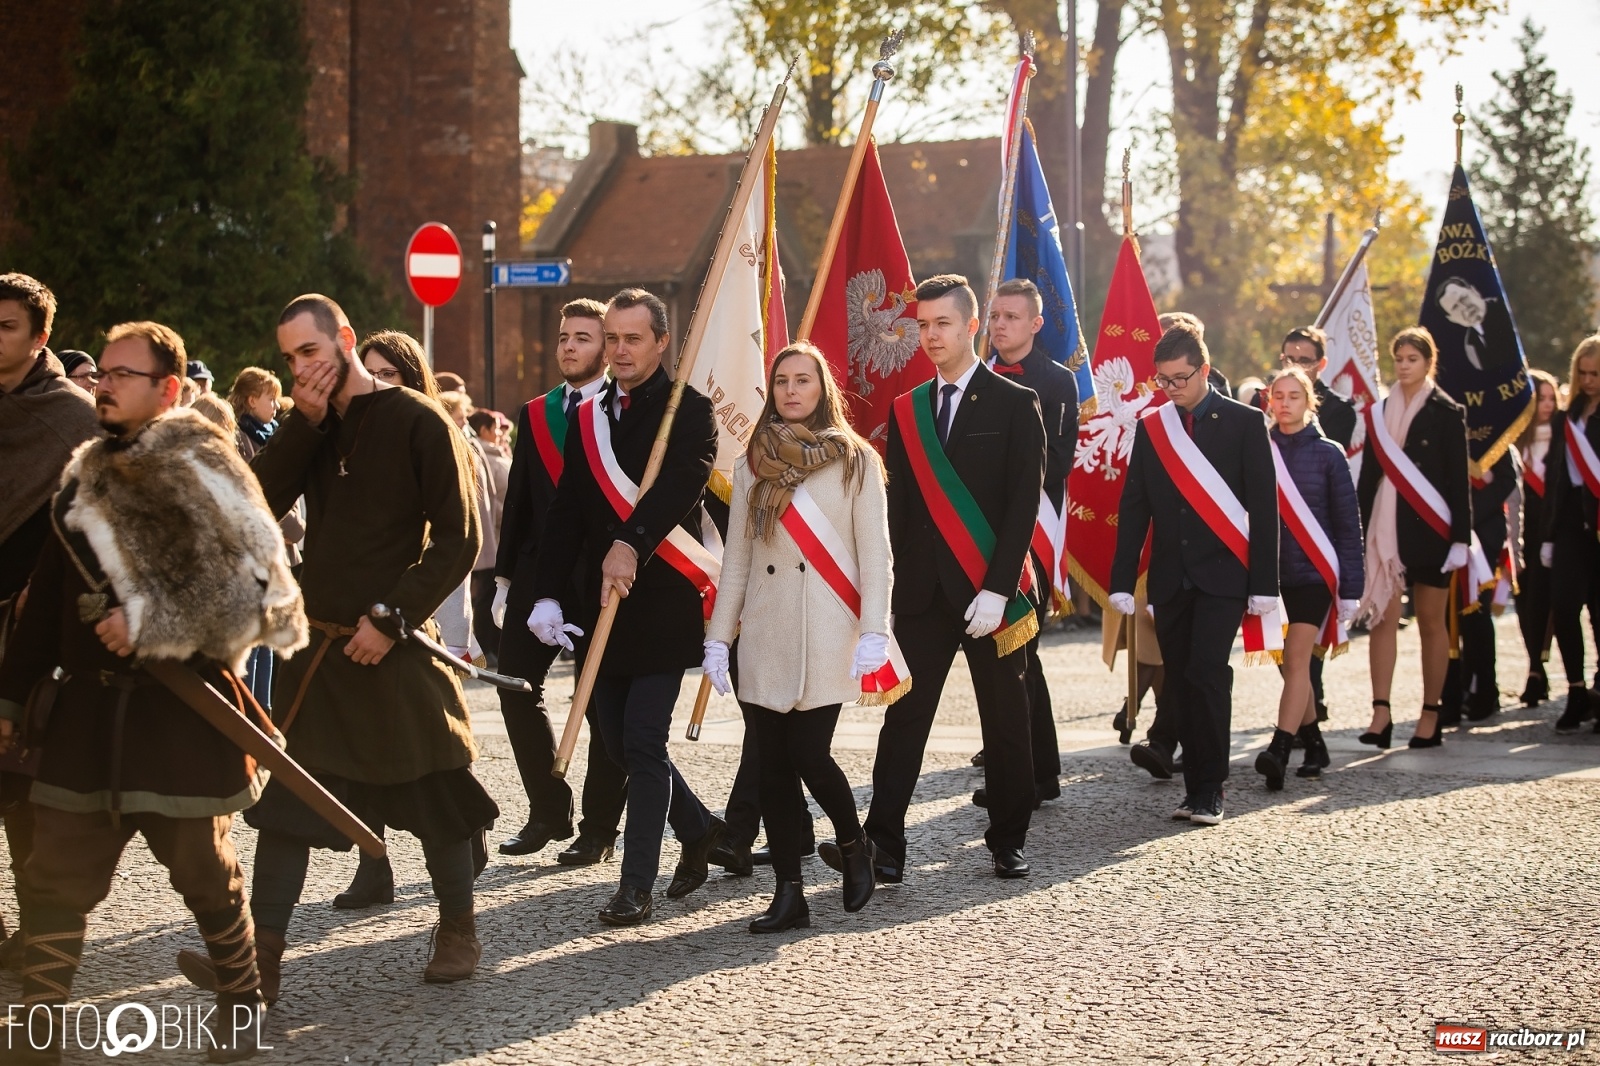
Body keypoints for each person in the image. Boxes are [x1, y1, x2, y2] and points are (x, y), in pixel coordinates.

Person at [0, 320, 306, 1064]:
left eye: (121, 375)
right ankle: (36, 1041)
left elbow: (261, 593)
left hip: (182, 721)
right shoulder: (81, 473)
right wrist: (9, 703)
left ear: (167, 390)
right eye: (100, 372)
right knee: (52, 884)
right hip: (88, 721)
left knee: (207, 879)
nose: (102, 384)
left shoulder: (209, 468)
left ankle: (241, 1012)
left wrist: (147, 620)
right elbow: (44, 601)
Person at [181, 295, 497, 998]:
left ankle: (458, 929)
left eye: (311, 353)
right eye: (290, 358)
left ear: (345, 341)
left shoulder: (420, 420)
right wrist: (306, 425)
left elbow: (459, 538)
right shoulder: (311, 426)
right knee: (287, 809)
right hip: (321, 651)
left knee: (436, 793)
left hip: (393, 645)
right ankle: (257, 964)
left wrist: (392, 618)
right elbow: (252, 506)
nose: (302, 369)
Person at [529, 288, 725, 926]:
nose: (618, 350)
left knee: (642, 739)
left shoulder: (688, 410)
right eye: (611, 338)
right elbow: (565, 513)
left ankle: (635, 883)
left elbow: (681, 484)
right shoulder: (585, 412)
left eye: (632, 338)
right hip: (600, 606)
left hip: (660, 600)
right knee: (616, 742)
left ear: (661, 342)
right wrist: (548, 591)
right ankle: (697, 829)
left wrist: (630, 543)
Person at [853, 274, 1044, 881]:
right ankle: (883, 843)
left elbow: (1023, 503)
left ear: (970, 326)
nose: (931, 336)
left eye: (943, 324)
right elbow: (901, 509)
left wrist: (998, 586)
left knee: (1005, 718)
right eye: (923, 325)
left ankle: (1008, 837)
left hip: (990, 591)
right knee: (903, 719)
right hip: (922, 593)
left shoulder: (1016, 402)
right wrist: (887, 592)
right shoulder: (907, 408)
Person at [701, 341, 891, 931]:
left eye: (803, 380)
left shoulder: (855, 460)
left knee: (809, 754)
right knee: (773, 768)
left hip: (829, 626)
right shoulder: (750, 463)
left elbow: (875, 555)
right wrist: (718, 637)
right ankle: (789, 891)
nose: (790, 391)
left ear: (822, 389)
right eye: (781, 380)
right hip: (764, 631)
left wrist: (875, 631)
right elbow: (736, 560)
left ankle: (855, 846)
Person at [1109, 320, 1278, 825]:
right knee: (1180, 681)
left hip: (1225, 575)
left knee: (1207, 674)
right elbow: (1134, 504)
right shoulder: (1154, 426)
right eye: (1162, 380)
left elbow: (1264, 509)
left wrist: (1265, 586)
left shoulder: (1245, 423)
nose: (1170, 388)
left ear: (1204, 370)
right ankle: (1192, 789)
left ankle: (1211, 788)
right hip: (1171, 576)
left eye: (1180, 378)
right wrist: (1120, 578)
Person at [489, 298, 626, 863]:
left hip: (598, 578)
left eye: (583, 338)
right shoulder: (536, 411)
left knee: (599, 706)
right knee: (515, 689)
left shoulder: (623, 409)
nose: (569, 346)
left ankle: (599, 828)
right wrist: (502, 579)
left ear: (607, 347)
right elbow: (519, 496)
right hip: (536, 574)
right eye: (565, 337)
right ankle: (548, 809)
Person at [0, 274, 101, 971]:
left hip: (31, 628)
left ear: (40, 338)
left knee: (24, 785)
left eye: (5, 326)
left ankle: (39, 925)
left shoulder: (73, 416)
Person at [965, 278, 1076, 809]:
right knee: (1013, 656)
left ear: (1035, 323)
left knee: (1017, 651)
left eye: (1011, 317)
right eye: (995, 316)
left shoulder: (1057, 382)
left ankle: (1026, 776)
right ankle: (1035, 771)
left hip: (1032, 527)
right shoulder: (976, 375)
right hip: (981, 529)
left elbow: (1054, 462)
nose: (1000, 325)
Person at [1355, 327, 1472, 750]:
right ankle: (1380, 713)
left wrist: (1461, 538)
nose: (1404, 366)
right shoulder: (1379, 412)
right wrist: (1357, 530)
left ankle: (1430, 713)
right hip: (1386, 532)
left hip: (1431, 531)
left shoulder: (1446, 411)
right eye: (1399, 358)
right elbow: (1369, 478)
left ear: (1429, 362)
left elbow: (1458, 481)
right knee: (1383, 620)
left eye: (1412, 359)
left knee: (1431, 624)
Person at [1253, 368, 1363, 789]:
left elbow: (1347, 526)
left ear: (1309, 401)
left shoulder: (1331, 454)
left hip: (1315, 573)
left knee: (1298, 660)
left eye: (1294, 395)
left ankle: (1280, 747)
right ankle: (1315, 742)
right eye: (1278, 395)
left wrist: (1351, 588)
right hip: (1271, 575)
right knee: (1289, 667)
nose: (1284, 403)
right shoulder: (1258, 448)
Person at [1542, 334, 1600, 734]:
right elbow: (1556, 479)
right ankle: (1576, 689)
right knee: (1563, 606)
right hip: (1568, 523)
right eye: (1583, 373)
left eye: (1596, 373)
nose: (1589, 380)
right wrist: (1546, 534)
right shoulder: (1566, 418)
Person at [1513, 370, 1559, 707]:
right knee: (1526, 605)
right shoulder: (1515, 444)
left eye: (1551, 398)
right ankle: (1534, 667)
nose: (1546, 405)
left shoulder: (1564, 438)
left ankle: (1539, 667)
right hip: (1524, 539)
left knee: (1552, 604)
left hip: (1556, 535)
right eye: (1539, 398)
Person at [229, 366, 284, 463]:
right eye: (271, 399)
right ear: (252, 401)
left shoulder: (274, 430)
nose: (277, 406)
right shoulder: (238, 439)